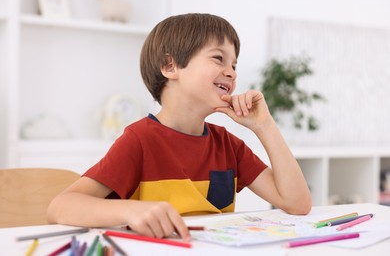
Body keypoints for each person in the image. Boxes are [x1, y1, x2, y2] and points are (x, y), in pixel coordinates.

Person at [48, 13, 312, 242]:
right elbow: (61, 206)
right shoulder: (139, 140)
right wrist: (129, 211)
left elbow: (298, 204)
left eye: (234, 64)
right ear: (170, 66)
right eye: (219, 58)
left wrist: (264, 125)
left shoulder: (228, 145)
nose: (231, 72)